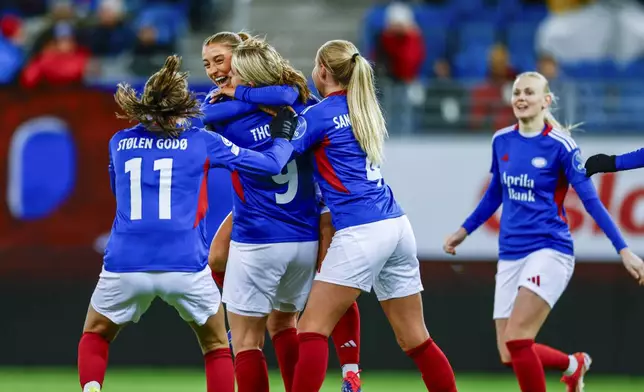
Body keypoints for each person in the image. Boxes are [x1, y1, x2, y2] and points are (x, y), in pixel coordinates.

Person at [76, 54, 299, 392]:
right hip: (185, 263)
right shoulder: (201, 141)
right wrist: (283, 136)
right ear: (182, 107)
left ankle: (91, 388)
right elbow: (269, 165)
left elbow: (118, 192)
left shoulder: (118, 143)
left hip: (125, 262)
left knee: (95, 333)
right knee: (215, 346)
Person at [443, 71, 644, 392]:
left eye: (529, 93)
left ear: (546, 100)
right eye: (517, 92)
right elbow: (496, 192)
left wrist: (623, 249)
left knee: (519, 339)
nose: (521, 98)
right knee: (509, 352)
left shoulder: (562, 146)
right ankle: (572, 364)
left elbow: (591, 202)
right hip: (510, 254)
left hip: (550, 250)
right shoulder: (502, 140)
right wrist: (464, 230)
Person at [285, 39, 458, 392]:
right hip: (396, 225)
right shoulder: (364, 105)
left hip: (362, 230)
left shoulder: (319, 116)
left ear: (322, 71)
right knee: (415, 339)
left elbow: (281, 154)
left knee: (311, 328)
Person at [201, 32, 363, 392]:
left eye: (221, 61)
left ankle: (241, 313)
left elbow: (204, 119)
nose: (214, 71)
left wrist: (233, 99)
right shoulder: (302, 105)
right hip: (302, 230)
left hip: (258, 234)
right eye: (207, 64)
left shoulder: (223, 116)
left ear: (243, 65)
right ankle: (348, 367)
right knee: (285, 323)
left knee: (246, 342)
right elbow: (286, 93)